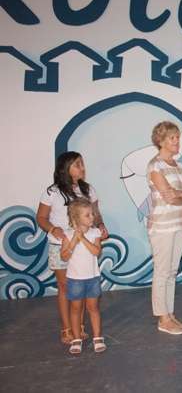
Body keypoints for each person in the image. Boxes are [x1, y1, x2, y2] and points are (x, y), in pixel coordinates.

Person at [36, 151, 108, 345]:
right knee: (65, 286)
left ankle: (80, 326)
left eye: (82, 164)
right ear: (65, 168)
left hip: (84, 247)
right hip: (60, 245)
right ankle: (66, 328)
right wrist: (53, 229)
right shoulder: (52, 192)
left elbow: (96, 214)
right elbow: (41, 217)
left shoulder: (88, 190)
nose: (82, 168)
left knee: (81, 286)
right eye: (77, 164)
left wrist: (101, 225)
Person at [146, 121, 182, 335]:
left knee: (172, 272)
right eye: (172, 138)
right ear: (161, 141)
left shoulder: (179, 166)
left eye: (177, 137)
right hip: (162, 227)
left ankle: (169, 314)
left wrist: (181, 194)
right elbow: (169, 196)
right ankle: (163, 318)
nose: (177, 141)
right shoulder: (155, 166)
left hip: (179, 224)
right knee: (162, 271)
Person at [60, 199, 105, 354]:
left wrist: (82, 238)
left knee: (93, 308)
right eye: (87, 215)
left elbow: (96, 252)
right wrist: (74, 239)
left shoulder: (95, 233)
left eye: (92, 214)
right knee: (75, 309)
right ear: (76, 218)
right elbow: (64, 257)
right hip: (75, 279)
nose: (92, 217)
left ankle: (97, 337)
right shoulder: (67, 234)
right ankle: (77, 338)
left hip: (92, 278)